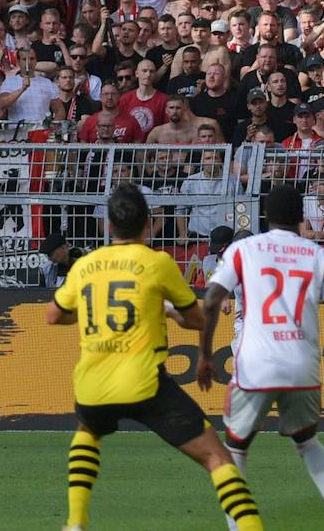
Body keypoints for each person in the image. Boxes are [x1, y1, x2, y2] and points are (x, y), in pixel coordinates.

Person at [44, 183, 263, 531]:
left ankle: (75, 521)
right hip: (145, 383)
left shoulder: (86, 265)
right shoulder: (157, 262)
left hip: (93, 384)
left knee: (87, 430)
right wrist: (171, 314)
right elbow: (198, 320)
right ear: (148, 224)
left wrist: (88, 314)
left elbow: (54, 315)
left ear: (109, 227)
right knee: (217, 457)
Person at [197, 184, 324, 531]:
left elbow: (210, 300)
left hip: (255, 366)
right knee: (307, 441)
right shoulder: (320, 256)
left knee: (234, 448)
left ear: (265, 215)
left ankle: (238, 527)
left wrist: (205, 354)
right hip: (301, 365)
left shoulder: (242, 249)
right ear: (301, 217)